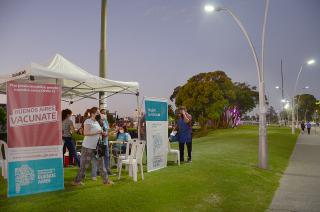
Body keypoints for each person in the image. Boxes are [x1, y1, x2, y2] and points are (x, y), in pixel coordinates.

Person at [73, 107, 113, 185]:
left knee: (101, 165)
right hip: (88, 147)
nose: (99, 114)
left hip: (97, 147)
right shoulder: (88, 121)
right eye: (97, 113)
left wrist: (102, 133)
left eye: (99, 113)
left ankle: (106, 181)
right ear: (92, 114)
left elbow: (98, 132)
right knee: (84, 165)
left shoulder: (97, 122)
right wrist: (98, 132)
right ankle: (77, 181)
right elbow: (86, 133)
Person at [91, 109, 113, 178]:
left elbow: (107, 130)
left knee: (106, 156)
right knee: (99, 157)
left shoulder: (105, 121)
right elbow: (100, 132)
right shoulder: (98, 122)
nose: (104, 114)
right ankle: (98, 171)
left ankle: (106, 170)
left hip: (105, 141)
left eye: (105, 113)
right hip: (99, 142)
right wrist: (105, 133)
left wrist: (107, 133)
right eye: (103, 113)